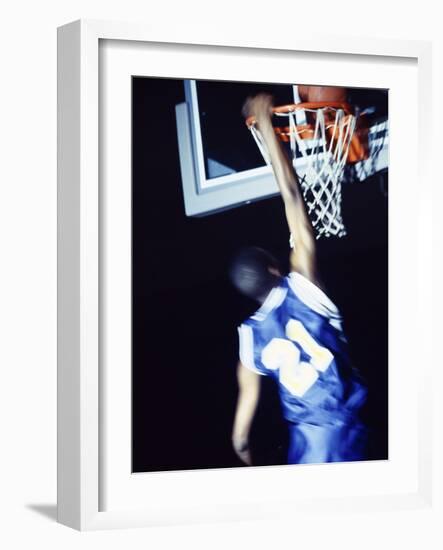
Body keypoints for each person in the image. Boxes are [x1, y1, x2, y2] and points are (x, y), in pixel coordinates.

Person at [230, 93, 368, 466]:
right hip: (345, 435)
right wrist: (265, 123)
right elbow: (292, 196)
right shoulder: (303, 284)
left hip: (304, 449)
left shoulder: (249, 341)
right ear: (275, 267)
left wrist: (248, 456)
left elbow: (240, 437)